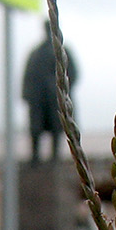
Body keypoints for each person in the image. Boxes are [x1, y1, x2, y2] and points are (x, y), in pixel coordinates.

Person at [21, 20, 77, 162]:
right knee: (35, 128)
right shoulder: (36, 52)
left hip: (55, 99)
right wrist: (27, 93)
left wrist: (61, 89)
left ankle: (55, 158)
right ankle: (35, 158)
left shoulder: (63, 51)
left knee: (56, 127)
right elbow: (28, 75)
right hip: (38, 100)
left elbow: (74, 73)